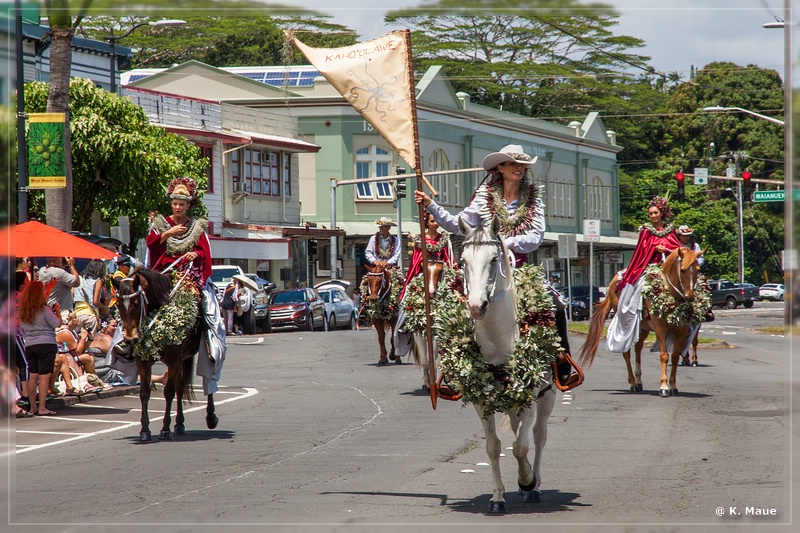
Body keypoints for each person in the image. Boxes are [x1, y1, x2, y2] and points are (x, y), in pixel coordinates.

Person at [414, 143, 576, 387]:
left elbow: (535, 237)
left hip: (519, 270)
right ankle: (452, 366)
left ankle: (563, 363)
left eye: (522, 164)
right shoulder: (484, 197)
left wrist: (505, 242)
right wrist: (431, 206)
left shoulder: (533, 199)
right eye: (513, 164)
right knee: (454, 308)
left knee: (556, 306)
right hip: (485, 267)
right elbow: (458, 225)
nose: (518, 168)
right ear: (500, 167)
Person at [137, 176, 225, 396]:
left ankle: (211, 344)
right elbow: (151, 248)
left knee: (210, 310)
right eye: (174, 203)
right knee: (133, 301)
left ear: (189, 205)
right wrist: (167, 235)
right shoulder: (160, 224)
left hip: (188, 276)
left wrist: (196, 253)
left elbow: (206, 254)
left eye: (181, 204)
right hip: (162, 276)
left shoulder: (197, 227)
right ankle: (126, 346)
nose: (177, 207)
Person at [606, 196, 681, 353]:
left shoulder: (671, 231)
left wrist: (666, 250)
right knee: (639, 286)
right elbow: (641, 251)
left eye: (655, 213)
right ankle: (636, 313)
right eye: (650, 214)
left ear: (662, 213)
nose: (653, 216)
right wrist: (654, 249)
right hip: (649, 267)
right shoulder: (646, 231)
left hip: (667, 267)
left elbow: (677, 249)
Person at [18, 281, 60, 416]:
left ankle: (32, 407)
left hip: (30, 344)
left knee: (33, 376)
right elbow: (56, 323)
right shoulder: (44, 309)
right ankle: (42, 407)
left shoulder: (24, 311)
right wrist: (57, 312)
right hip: (46, 343)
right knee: (44, 376)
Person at [73, 259, 110, 339]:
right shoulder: (98, 281)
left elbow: (72, 295)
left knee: (78, 341)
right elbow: (95, 301)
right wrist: (104, 308)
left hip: (77, 315)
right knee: (90, 341)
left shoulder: (79, 279)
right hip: (90, 315)